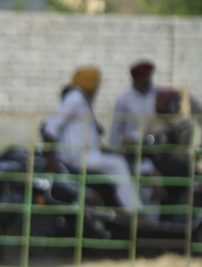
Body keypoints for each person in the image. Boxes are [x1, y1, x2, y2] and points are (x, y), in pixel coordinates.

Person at [43, 66, 137, 211]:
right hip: (77, 157)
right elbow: (50, 128)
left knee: (117, 160)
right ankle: (134, 211)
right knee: (118, 164)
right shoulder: (75, 98)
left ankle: (115, 206)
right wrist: (50, 160)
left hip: (85, 153)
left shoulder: (81, 99)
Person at [111, 59, 157, 149]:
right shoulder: (124, 98)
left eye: (148, 76)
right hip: (130, 146)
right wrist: (114, 149)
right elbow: (116, 127)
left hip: (152, 146)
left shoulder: (155, 94)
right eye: (143, 76)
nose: (146, 79)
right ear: (136, 78)